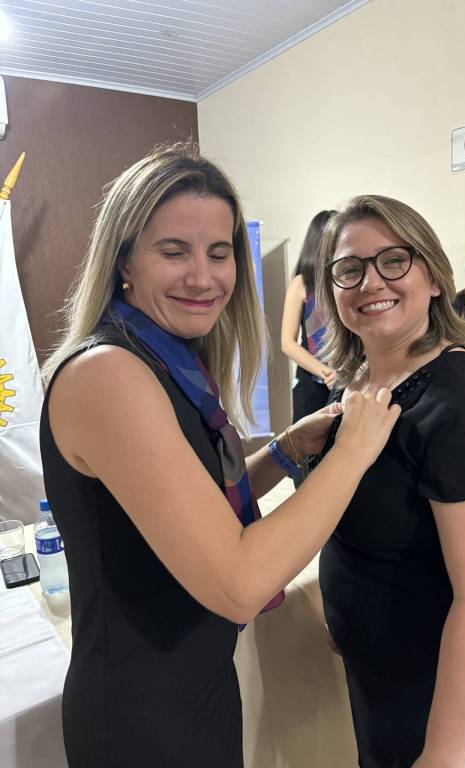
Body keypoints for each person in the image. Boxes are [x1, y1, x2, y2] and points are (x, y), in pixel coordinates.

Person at [39, 144, 401, 768]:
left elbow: (196, 507)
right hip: (138, 713)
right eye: (173, 251)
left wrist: (285, 451)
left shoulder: (167, 359)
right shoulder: (107, 374)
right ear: (123, 260)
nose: (203, 278)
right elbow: (239, 584)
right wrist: (353, 453)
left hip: (194, 683)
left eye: (218, 252)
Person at [314, 195, 465, 767]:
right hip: (384, 680)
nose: (371, 281)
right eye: (349, 268)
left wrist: (442, 757)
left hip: (456, 704)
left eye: (394, 260)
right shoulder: (354, 384)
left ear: (435, 278)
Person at [281, 210, 337, 485]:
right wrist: (325, 372)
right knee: (306, 457)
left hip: (350, 378)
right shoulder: (302, 283)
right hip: (312, 382)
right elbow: (287, 342)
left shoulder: (349, 279)